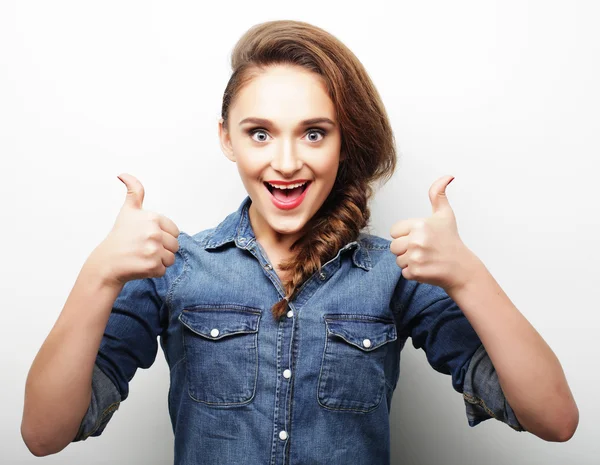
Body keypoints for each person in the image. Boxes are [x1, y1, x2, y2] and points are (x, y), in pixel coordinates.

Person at [21, 19, 578, 464]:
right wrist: (98, 275)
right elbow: (45, 435)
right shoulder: (174, 268)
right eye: (259, 133)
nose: (286, 163)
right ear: (227, 139)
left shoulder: (394, 274)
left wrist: (468, 275)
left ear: (344, 141)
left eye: (314, 132)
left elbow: (553, 420)